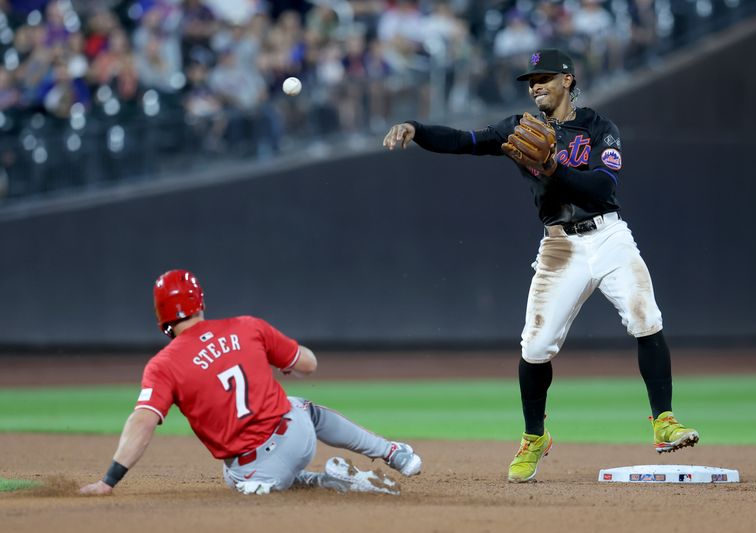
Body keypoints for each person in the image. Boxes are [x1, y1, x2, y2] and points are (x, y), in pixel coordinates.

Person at [382, 48, 698, 483]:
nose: (535, 86)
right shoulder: (518, 129)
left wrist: (552, 166)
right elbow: (465, 141)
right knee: (535, 348)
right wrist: (416, 129)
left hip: (607, 234)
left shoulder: (598, 127)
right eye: (531, 80)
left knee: (646, 317)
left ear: (567, 80)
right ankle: (534, 437)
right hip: (558, 246)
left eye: (544, 77)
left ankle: (664, 422)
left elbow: (600, 186)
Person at [79, 269, 422, 496]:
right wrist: (281, 358)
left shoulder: (163, 365)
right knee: (302, 406)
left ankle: (333, 480)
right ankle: (392, 452)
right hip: (297, 432)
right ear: (200, 302)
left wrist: (109, 480)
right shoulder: (247, 326)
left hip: (255, 469)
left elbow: (143, 420)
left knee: (237, 480)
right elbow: (309, 364)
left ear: (161, 316)